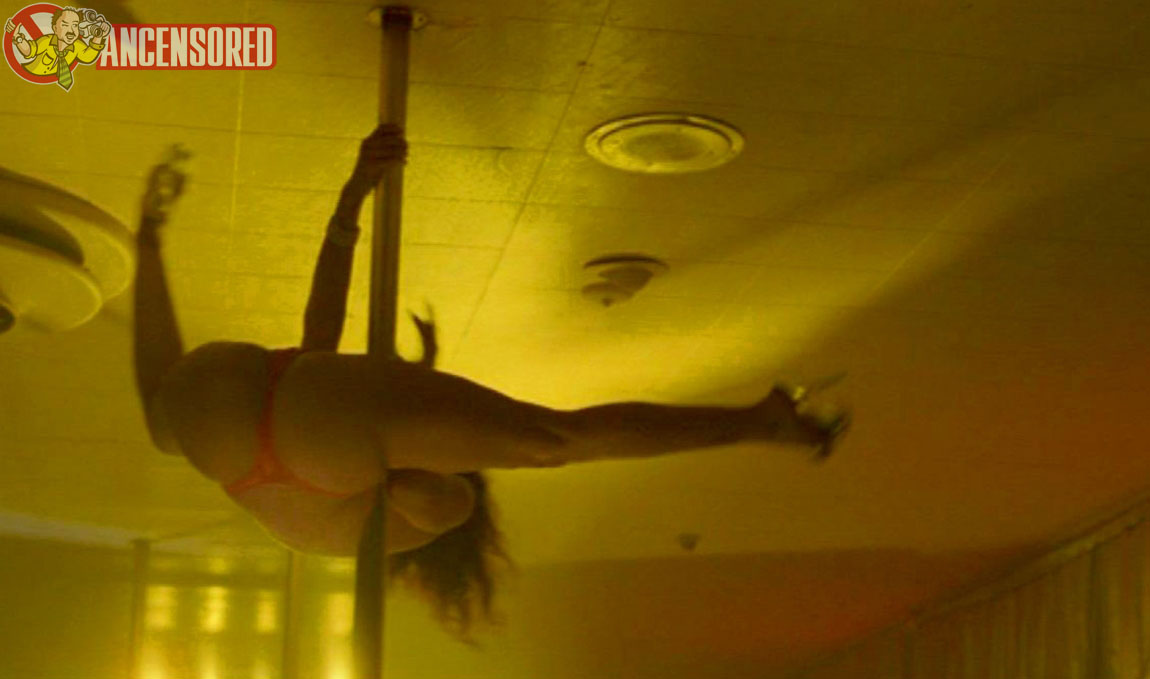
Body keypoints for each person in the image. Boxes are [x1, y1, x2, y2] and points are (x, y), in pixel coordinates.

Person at [132, 124, 849, 637]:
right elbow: (316, 350)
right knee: (162, 420)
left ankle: (760, 421)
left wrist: (354, 203)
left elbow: (421, 482)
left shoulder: (429, 515)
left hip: (305, 429)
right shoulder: (304, 506)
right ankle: (148, 241)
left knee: (551, 442)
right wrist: (349, 205)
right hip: (236, 425)